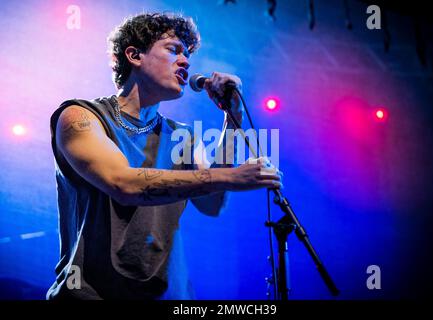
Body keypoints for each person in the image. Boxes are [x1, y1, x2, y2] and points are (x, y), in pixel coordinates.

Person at [47, 12, 282, 300]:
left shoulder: (181, 135)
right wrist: (232, 176)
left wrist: (233, 116)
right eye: (174, 50)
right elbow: (123, 184)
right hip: (91, 294)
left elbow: (212, 203)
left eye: (187, 55)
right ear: (134, 55)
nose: (185, 62)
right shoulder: (81, 116)